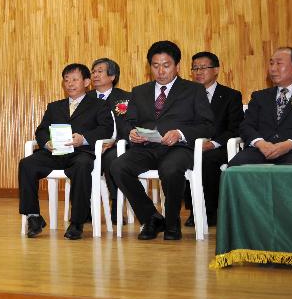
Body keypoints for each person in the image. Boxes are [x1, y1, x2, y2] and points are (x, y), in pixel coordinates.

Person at [110, 41, 214, 241]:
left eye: (166, 65)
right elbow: (127, 122)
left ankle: (172, 222)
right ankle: (151, 218)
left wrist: (180, 133)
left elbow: (208, 125)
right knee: (118, 167)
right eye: (155, 65)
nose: (161, 71)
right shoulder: (139, 91)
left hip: (178, 148)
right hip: (146, 147)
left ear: (177, 66)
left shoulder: (193, 90)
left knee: (171, 168)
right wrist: (131, 132)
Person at [18, 64, 114, 239]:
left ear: (86, 82)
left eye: (75, 80)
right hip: (54, 152)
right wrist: (46, 142)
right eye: (66, 80)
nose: (69, 84)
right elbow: (41, 130)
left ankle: (77, 222)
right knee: (27, 164)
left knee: (82, 165)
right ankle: (33, 216)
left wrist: (83, 138)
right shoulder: (54, 107)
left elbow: (106, 130)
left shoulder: (99, 105)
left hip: (81, 153)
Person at [228, 47, 292, 167]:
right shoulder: (260, 96)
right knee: (236, 165)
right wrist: (261, 143)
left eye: (279, 63)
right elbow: (246, 126)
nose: (273, 68)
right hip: (260, 150)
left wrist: (288, 145)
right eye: (271, 63)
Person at [183, 51, 243, 227]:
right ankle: (194, 209)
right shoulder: (185, 96)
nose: (198, 72)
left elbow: (235, 127)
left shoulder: (231, 96)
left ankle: (209, 211)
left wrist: (213, 143)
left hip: (220, 146)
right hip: (191, 145)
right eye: (195, 68)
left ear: (216, 70)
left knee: (207, 160)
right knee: (179, 157)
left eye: (203, 67)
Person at [90, 58, 131, 224]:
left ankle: (116, 206)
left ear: (112, 76)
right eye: (93, 72)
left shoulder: (126, 98)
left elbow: (131, 126)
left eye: (100, 71)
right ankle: (83, 209)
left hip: (117, 145)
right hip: (89, 145)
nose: (95, 75)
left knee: (111, 158)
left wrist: (114, 142)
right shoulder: (85, 98)